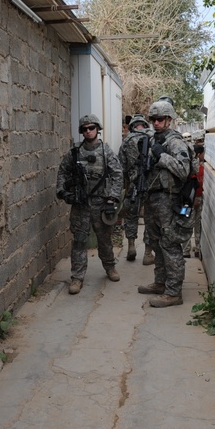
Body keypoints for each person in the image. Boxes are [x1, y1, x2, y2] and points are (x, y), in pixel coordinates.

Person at [56, 114, 124, 294]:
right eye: (85, 129)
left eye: (91, 128)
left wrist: (112, 198)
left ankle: (110, 267)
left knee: (104, 240)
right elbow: (63, 172)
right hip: (81, 204)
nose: (88, 131)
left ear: (97, 129)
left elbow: (117, 175)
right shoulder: (74, 152)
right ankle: (77, 277)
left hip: (101, 204)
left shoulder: (105, 151)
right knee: (79, 241)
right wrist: (64, 192)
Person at [137, 100, 195, 307]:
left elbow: (183, 170)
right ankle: (160, 283)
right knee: (156, 242)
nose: (156, 123)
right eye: (153, 120)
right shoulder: (152, 140)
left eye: (160, 119)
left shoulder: (175, 142)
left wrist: (162, 156)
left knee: (170, 244)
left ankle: (174, 292)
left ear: (169, 120)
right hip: (153, 198)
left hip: (169, 199)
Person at [119, 114, 152, 261]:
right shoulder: (153, 137)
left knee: (131, 216)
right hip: (151, 185)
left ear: (132, 126)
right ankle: (147, 253)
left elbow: (121, 167)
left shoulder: (126, 141)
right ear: (145, 125)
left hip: (134, 184)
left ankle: (131, 246)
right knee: (150, 218)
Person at [184, 139, 206, 258]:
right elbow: (198, 185)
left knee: (185, 223)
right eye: (203, 153)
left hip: (185, 203)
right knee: (196, 224)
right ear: (198, 154)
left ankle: (186, 250)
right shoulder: (199, 168)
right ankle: (197, 247)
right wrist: (197, 199)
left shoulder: (187, 166)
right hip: (195, 200)